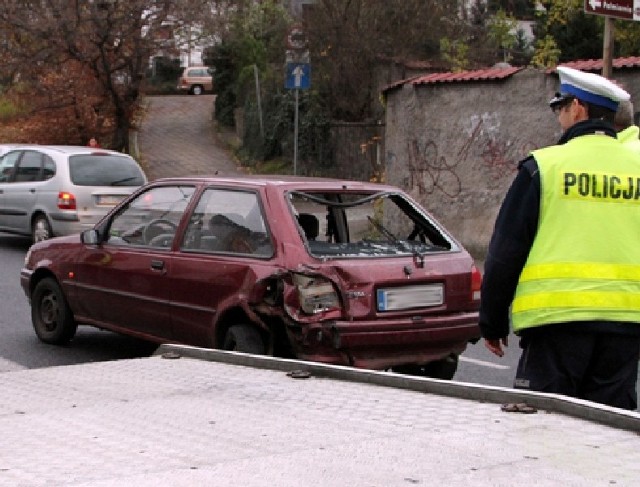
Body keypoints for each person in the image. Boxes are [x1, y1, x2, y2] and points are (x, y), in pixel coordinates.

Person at [479, 66, 640, 410]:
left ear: (578, 108)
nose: (559, 117)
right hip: (626, 328)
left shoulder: (543, 167)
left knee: (543, 432)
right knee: (608, 432)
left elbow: (506, 251)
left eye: (560, 108)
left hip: (555, 327)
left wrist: (492, 321)